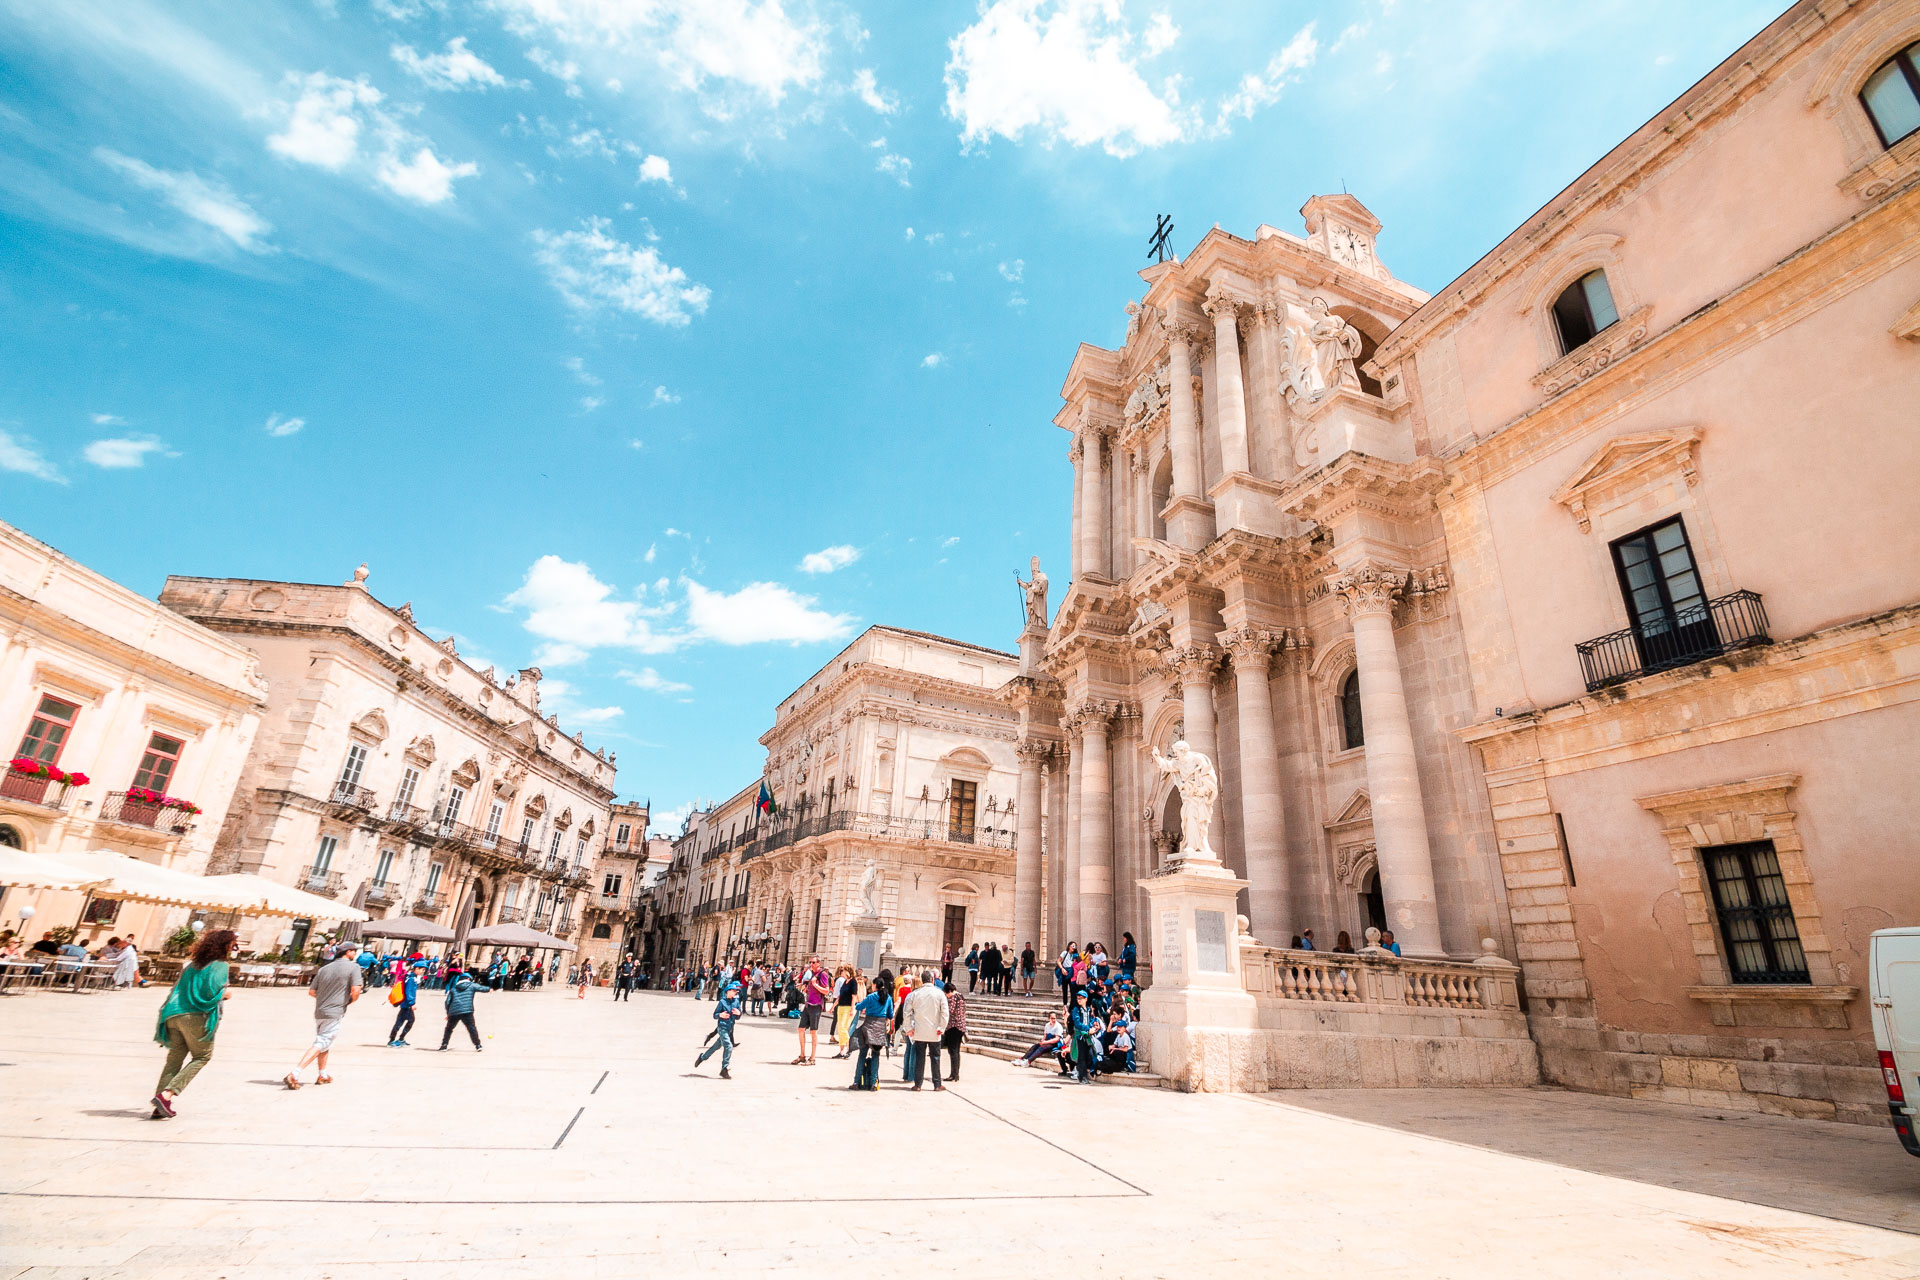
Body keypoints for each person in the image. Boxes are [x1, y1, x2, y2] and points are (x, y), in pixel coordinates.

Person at [149, 928, 237, 1119]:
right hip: (196, 1016)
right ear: (224, 946)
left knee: (173, 1061)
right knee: (202, 1056)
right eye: (232, 944)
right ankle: (167, 1095)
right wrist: (226, 994)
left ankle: (160, 1104)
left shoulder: (192, 965)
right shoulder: (220, 966)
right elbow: (211, 993)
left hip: (173, 1014)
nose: (233, 947)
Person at [285, 942, 363, 1089]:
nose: (355, 954)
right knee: (322, 1042)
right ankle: (295, 1073)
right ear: (348, 952)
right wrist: (348, 1002)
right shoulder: (354, 967)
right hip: (335, 1011)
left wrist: (325, 1000)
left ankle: (323, 1074)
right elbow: (356, 991)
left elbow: (312, 992)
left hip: (320, 1011)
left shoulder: (324, 968)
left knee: (325, 1042)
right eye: (354, 951)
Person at [902, 969, 949, 1091]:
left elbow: (906, 1013)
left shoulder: (914, 994)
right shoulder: (940, 994)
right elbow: (945, 1013)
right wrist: (942, 1027)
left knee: (919, 1058)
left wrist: (909, 1029)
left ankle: (918, 1084)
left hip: (919, 1031)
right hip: (935, 1031)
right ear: (933, 979)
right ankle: (937, 1084)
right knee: (935, 1058)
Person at [848, 969, 894, 1091]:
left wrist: (859, 1004)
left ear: (875, 985)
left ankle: (857, 1082)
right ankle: (873, 1083)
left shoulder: (871, 996)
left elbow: (859, 1006)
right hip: (880, 1029)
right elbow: (890, 1014)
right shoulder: (888, 998)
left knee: (862, 1054)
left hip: (868, 1027)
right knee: (876, 1055)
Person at [693, 981, 742, 1079]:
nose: (735, 992)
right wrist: (720, 1015)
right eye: (733, 990)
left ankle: (702, 1057)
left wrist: (738, 1013)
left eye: (735, 991)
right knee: (728, 1046)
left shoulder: (736, 1002)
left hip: (729, 1028)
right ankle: (724, 1069)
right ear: (728, 991)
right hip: (722, 1027)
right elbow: (715, 1015)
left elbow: (738, 1017)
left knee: (716, 1047)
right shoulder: (722, 1002)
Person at [439, 960, 489, 1051]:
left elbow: (447, 1002)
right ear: (469, 979)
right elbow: (482, 988)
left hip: (454, 1011)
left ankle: (444, 1045)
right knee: (471, 1028)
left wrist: (448, 1013)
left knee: (449, 1029)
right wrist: (490, 989)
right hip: (467, 1010)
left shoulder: (453, 989)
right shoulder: (471, 985)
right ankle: (478, 1045)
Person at [794, 957, 830, 1065]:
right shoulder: (812, 974)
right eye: (810, 962)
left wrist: (815, 985)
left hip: (816, 1005)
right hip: (808, 1005)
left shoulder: (822, 974)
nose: (811, 964)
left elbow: (827, 991)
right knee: (801, 1029)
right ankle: (802, 1055)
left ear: (818, 963)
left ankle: (812, 1058)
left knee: (813, 1031)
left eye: (813, 962)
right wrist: (805, 988)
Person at [1068, 991, 1099, 1084]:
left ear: (1086, 999)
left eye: (1081, 998)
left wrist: (1091, 1028)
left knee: (1089, 1055)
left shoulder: (1088, 1010)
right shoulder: (1076, 1010)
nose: (1079, 1000)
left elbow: (1089, 1021)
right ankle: (1082, 1077)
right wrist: (1087, 1029)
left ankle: (1081, 1073)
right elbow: (1077, 1023)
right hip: (1079, 1036)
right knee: (1081, 1057)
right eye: (1078, 998)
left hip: (1087, 1036)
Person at [941, 976, 967, 1083]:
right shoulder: (961, 997)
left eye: (946, 993)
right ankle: (956, 1073)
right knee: (956, 1050)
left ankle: (954, 1074)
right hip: (961, 1026)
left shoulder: (953, 998)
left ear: (950, 991)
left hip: (953, 1027)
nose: (946, 995)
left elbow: (950, 1011)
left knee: (953, 1051)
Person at [387, 962, 419, 1047]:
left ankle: (397, 1039)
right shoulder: (412, 979)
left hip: (404, 1003)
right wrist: (412, 1003)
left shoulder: (409, 976)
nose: (423, 971)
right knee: (405, 1022)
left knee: (402, 1022)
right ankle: (394, 1040)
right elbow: (409, 991)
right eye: (422, 969)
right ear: (416, 969)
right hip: (407, 1005)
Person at [831, 965, 858, 1058]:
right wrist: (833, 1006)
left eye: (843, 970)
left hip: (847, 1007)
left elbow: (854, 996)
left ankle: (848, 1048)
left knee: (843, 1028)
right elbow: (840, 995)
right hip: (841, 1007)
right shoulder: (845, 982)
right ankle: (842, 1051)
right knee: (840, 1029)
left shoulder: (853, 982)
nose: (842, 972)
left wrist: (852, 1008)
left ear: (848, 971)